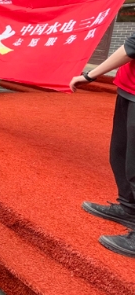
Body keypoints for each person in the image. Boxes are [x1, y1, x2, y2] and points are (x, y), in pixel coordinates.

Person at [70, 33, 135, 258]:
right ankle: (128, 208)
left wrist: (89, 75)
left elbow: (131, 47)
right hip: (129, 89)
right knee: (120, 155)